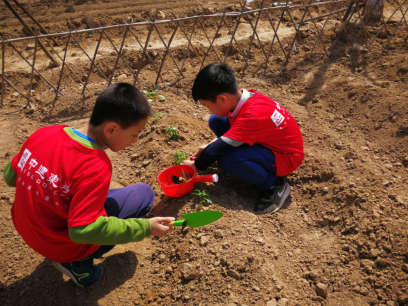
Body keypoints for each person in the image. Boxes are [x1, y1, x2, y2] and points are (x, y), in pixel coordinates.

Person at [3, 83, 175, 287]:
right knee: (144, 194)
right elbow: (82, 231)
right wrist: (145, 227)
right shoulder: (95, 165)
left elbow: (10, 177)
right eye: (135, 134)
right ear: (111, 129)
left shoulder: (45, 133)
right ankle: (77, 265)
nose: (135, 141)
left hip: (28, 230)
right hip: (59, 245)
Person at [182, 63, 304, 214]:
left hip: (285, 158)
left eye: (206, 105)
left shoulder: (252, 116)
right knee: (216, 120)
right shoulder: (246, 98)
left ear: (222, 99)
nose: (208, 109)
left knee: (227, 159)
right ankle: (250, 163)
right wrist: (210, 147)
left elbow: (219, 147)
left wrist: (195, 166)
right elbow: (231, 135)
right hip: (269, 143)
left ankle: (274, 186)